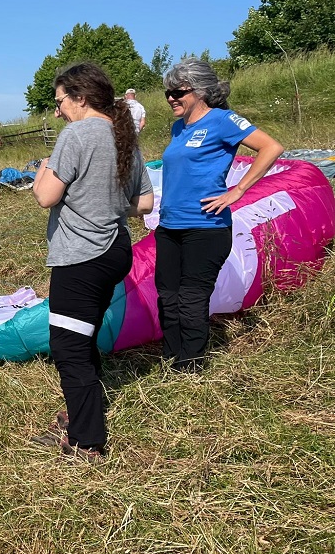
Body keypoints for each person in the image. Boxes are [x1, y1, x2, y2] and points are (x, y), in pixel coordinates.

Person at [31, 63, 154, 463]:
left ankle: (87, 440)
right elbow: (145, 203)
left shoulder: (77, 134)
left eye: (60, 101)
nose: (57, 111)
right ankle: (81, 413)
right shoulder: (125, 138)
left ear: (80, 98)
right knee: (82, 338)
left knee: (67, 347)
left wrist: (42, 168)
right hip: (116, 249)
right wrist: (107, 203)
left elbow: (46, 196)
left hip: (81, 257)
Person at [156, 57, 284, 372]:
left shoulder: (224, 120)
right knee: (167, 297)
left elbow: (271, 147)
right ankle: (171, 360)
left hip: (206, 227)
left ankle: (191, 367)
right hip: (170, 226)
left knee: (191, 299)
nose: (171, 98)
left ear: (199, 91)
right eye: (167, 93)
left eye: (178, 91)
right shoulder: (178, 127)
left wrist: (237, 191)